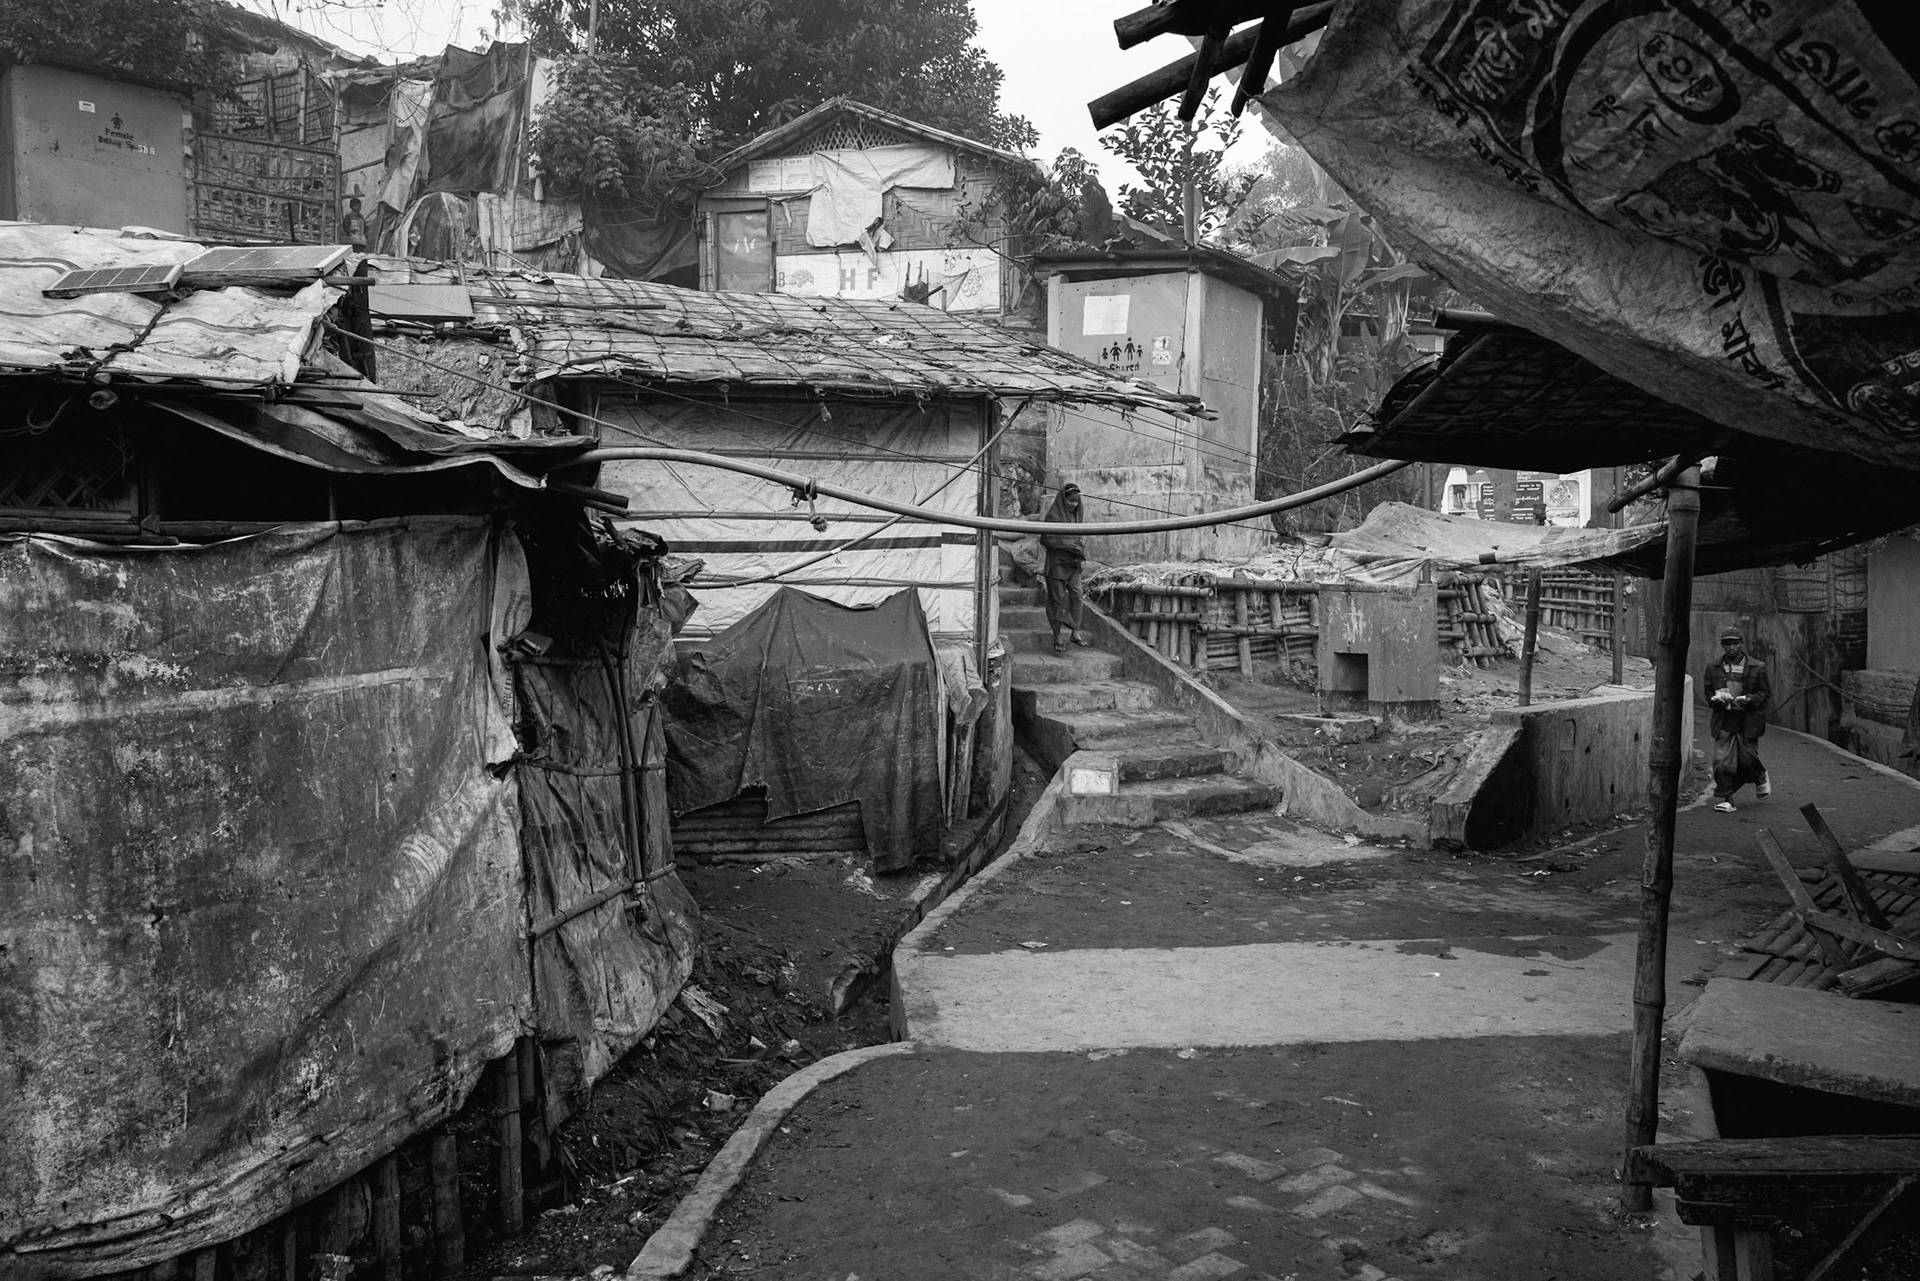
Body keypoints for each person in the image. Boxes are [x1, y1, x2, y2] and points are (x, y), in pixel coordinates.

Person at [1705, 625, 1772, 812]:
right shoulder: (1713, 668)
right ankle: (1728, 799)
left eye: (1734, 643)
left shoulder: (1757, 667)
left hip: (1748, 720)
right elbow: (1708, 693)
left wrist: (1749, 699)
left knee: (1747, 760)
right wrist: (1718, 700)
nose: (1731, 648)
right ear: (1722, 645)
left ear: (1741, 644)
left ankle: (1760, 775)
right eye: (1727, 644)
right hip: (1724, 720)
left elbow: (1765, 693)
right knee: (1721, 763)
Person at [1041, 482, 1089, 654]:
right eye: (1070, 501)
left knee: (1077, 596)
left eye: (1076, 502)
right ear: (1063, 500)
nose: (1073, 505)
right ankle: (1057, 635)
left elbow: (1079, 538)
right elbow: (1046, 538)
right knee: (1057, 600)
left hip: (1073, 565)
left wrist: (1078, 549)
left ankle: (1075, 632)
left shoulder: (1078, 515)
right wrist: (1067, 545)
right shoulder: (1053, 516)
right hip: (1057, 565)